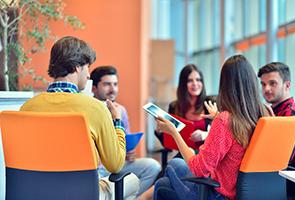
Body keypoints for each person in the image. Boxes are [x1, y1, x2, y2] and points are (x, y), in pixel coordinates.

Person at [20, 36, 139, 200]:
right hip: (83, 193)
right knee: (133, 181)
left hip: (37, 192)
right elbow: (116, 164)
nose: (89, 75)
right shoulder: (95, 108)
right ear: (77, 68)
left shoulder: (27, 108)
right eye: (87, 67)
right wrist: (117, 122)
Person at [153, 55, 269, 200]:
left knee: (174, 164)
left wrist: (174, 132)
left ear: (225, 84)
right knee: (162, 185)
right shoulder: (263, 113)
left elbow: (199, 169)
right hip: (245, 193)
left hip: (217, 193)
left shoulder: (225, 120)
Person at [90, 66, 161, 197]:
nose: (112, 89)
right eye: (107, 84)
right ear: (94, 88)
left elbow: (126, 138)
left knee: (153, 166)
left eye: (115, 84)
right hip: (97, 167)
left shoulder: (121, 110)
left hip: (119, 163)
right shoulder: (89, 109)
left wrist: (129, 152)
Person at [258, 62, 295, 198]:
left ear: (287, 85)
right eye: (263, 84)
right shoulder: (272, 112)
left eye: (272, 83)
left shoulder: (292, 115)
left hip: (283, 183)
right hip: (271, 179)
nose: (266, 89)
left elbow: (283, 159)